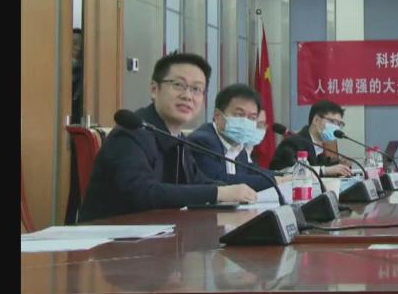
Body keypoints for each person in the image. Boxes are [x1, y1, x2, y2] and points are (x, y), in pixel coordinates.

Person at [78, 52, 257, 222]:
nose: (187, 96)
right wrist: (218, 193)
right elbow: (143, 193)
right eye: (178, 85)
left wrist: (233, 190)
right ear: (154, 89)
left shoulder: (177, 137)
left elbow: (196, 181)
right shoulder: (130, 133)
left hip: (158, 234)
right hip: (112, 238)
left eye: (196, 89)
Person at [187, 84, 287, 192]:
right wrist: (274, 181)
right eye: (239, 115)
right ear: (217, 115)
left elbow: (253, 171)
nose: (245, 122)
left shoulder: (238, 146)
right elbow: (218, 179)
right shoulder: (202, 141)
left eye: (252, 118)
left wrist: (286, 175)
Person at [269, 99, 352, 176]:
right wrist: (326, 170)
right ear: (316, 120)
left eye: (339, 124)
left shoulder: (317, 146)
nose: (336, 127)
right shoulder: (294, 142)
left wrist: (339, 165)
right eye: (332, 121)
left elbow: (317, 166)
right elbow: (288, 171)